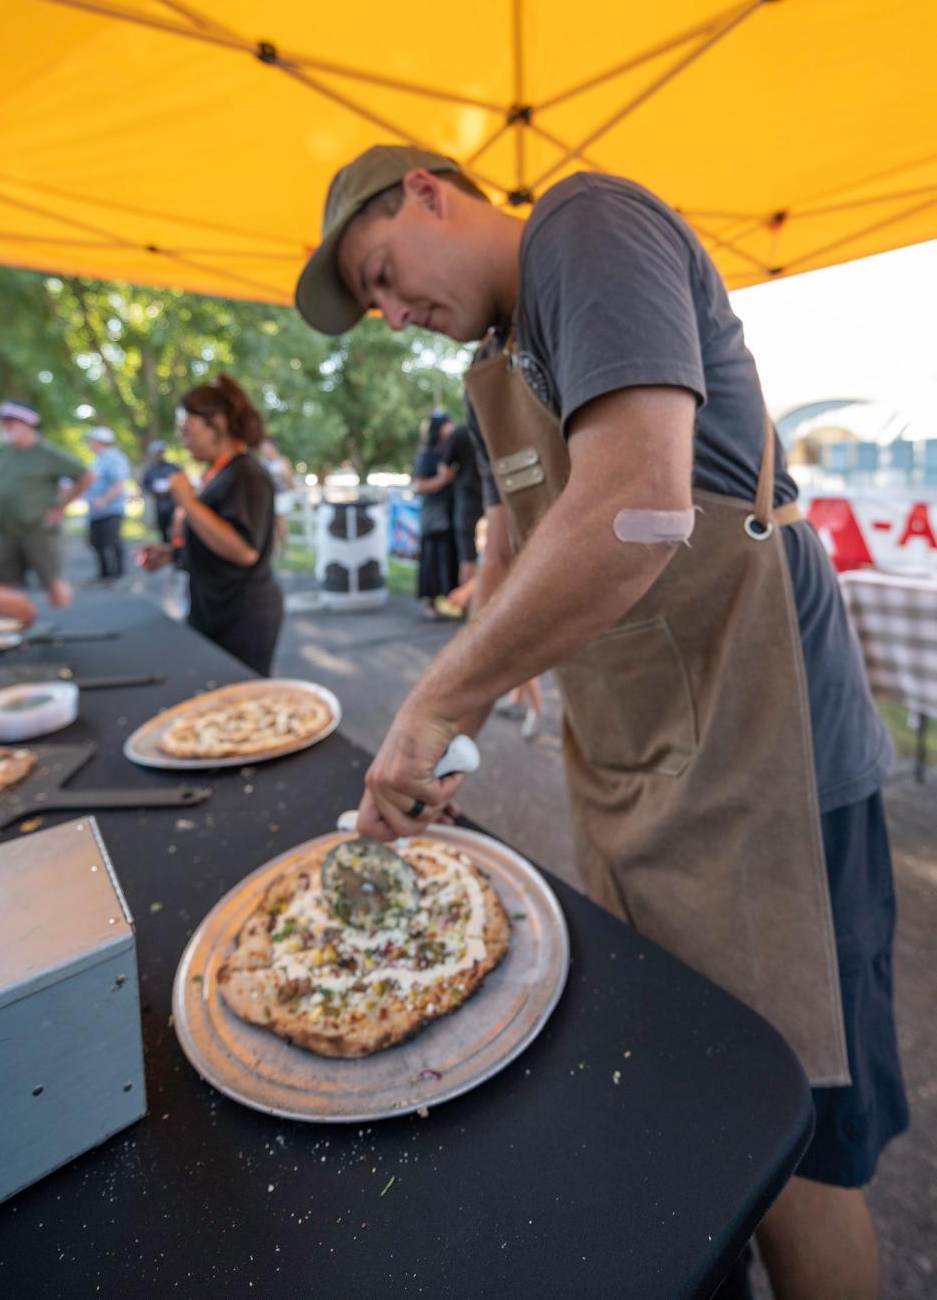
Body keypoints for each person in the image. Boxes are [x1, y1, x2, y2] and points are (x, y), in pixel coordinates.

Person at [295, 145, 906, 1300]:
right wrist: (483, 643)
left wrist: (437, 705)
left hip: (772, 757)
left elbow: (634, 502)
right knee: (700, 1103)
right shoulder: (499, 350)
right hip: (647, 764)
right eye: (373, 301)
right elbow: (541, 535)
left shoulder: (586, 224)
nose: (388, 312)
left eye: (380, 272)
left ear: (429, 191)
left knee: (793, 1127)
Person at [134, 375, 282, 676]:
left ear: (217, 423)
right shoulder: (221, 474)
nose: (182, 439)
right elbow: (214, 538)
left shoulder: (246, 474)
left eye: (187, 430)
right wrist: (173, 554)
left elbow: (244, 551)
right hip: (213, 607)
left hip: (241, 614)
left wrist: (188, 502)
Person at [0, 400, 92, 608]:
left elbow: (86, 476)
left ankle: (65, 626)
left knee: (53, 583)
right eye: (2, 422)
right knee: (1, 584)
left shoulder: (47, 454)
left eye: (10, 422)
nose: (3, 427)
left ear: (27, 424)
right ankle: (6, 631)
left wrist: (61, 507)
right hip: (4, 531)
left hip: (39, 530)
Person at [412, 412, 458, 619]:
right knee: (431, 559)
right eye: (447, 424)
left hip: (450, 512)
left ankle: (451, 601)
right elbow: (419, 485)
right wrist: (442, 480)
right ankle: (430, 602)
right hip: (433, 515)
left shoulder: (450, 451)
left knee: (449, 557)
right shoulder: (427, 455)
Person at [438, 420, 484, 590]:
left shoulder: (460, 433)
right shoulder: (495, 427)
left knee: (467, 556)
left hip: (467, 498)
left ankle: (469, 604)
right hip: (494, 497)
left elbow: (444, 471)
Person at [86, 426, 129, 583]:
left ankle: (119, 574)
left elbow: (118, 483)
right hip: (96, 511)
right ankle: (104, 574)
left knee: (112, 541)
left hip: (110, 509)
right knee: (97, 542)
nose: (89, 444)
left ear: (99, 442)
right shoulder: (98, 459)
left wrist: (104, 500)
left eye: (91, 440)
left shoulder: (114, 458)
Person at [259, 437, 296, 553]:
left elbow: (289, 481)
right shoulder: (263, 463)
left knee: (280, 522)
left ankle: (285, 548)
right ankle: (273, 549)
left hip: (281, 496)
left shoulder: (282, 461)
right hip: (268, 496)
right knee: (270, 523)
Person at [141, 440, 180, 543]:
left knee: (175, 530)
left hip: (174, 504)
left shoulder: (173, 468)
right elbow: (145, 487)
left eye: (161, 452)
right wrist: (154, 490)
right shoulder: (150, 471)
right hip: (159, 505)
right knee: (163, 531)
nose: (160, 455)